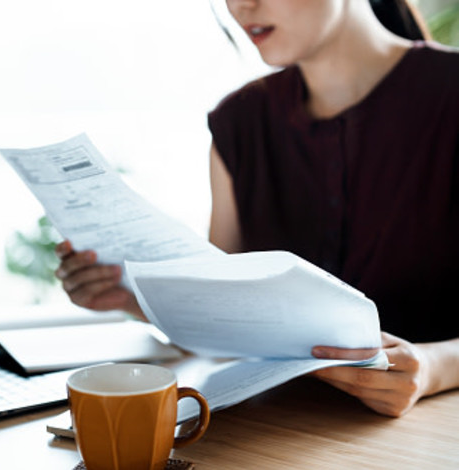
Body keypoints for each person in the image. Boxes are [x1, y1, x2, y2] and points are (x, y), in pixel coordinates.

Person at [54, 0, 459, 418]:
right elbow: (228, 316)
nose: (242, 6)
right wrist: (131, 299)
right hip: (267, 433)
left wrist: (432, 368)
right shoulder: (238, 123)